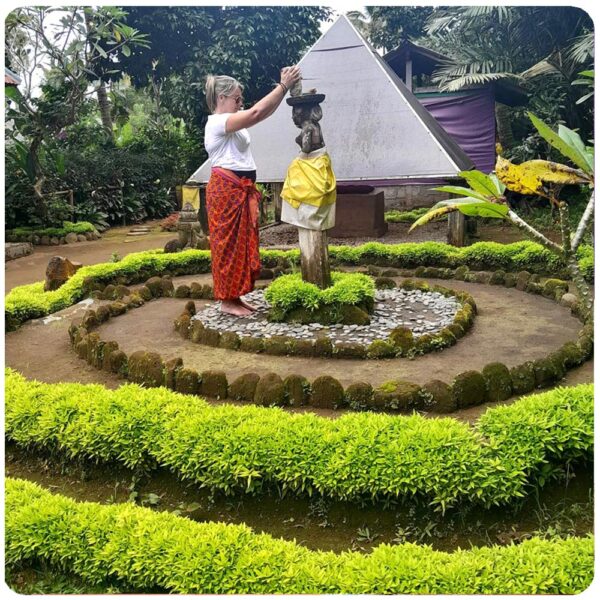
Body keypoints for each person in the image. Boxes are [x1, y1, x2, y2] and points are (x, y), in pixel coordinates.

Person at [204, 66, 301, 316]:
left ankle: (235, 297)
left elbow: (262, 112)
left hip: (240, 190)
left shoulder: (234, 124)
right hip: (227, 191)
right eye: (236, 99)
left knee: (242, 244)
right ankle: (227, 300)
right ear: (221, 98)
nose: (240, 103)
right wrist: (283, 86)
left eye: (241, 100)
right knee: (227, 245)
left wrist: (284, 90)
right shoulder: (217, 123)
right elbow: (257, 112)